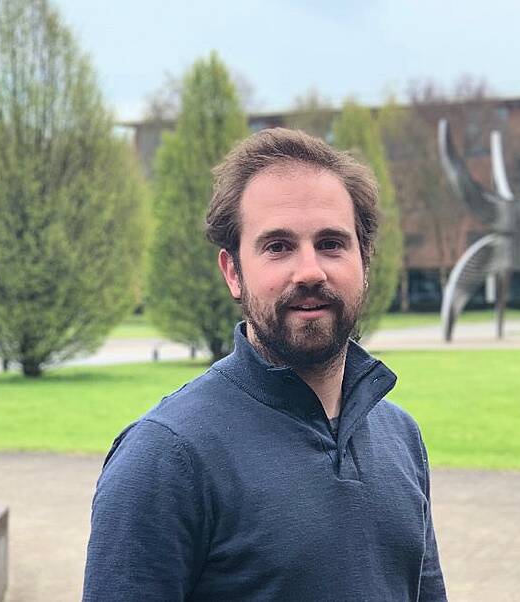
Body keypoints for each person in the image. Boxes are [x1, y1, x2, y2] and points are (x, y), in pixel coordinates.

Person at [83, 128, 447, 601]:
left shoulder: (401, 437)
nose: (310, 271)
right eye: (278, 246)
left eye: (332, 243)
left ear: (365, 261)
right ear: (233, 271)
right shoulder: (165, 457)